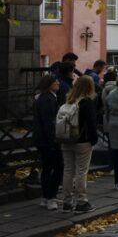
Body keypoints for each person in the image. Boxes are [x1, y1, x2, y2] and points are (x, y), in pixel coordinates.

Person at [60, 75, 98, 213]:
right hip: (82, 141)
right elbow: (91, 124)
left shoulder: (69, 100)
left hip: (66, 139)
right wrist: (94, 140)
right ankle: (81, 202)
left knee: (68, 170)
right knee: (81, 171)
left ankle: (67, 202)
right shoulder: (87, 102)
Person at [32, 74, 63, 210]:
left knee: (47, 167)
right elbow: (49, 122)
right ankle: (51, 197)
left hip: (42, 139)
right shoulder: (48, 99)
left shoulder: (43, 98)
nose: (58, 83)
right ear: (49, 84)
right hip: (48, 140)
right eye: (55, 82)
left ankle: (46, 197)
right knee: (57, 168)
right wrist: (54, 140)